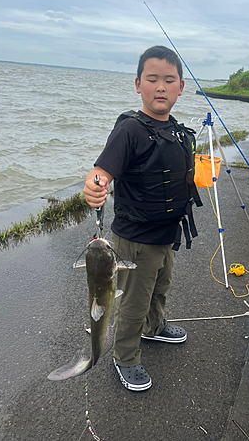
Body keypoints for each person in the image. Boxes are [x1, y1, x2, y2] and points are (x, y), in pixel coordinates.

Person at [83, 45, 202, 391]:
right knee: (133, 302)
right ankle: (125, 356)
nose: (161, 87)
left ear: (181, 87)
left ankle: (155, 326)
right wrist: (95, 186)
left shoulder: (177, 131)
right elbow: (101, 171)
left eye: (169, 80)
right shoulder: (129, 130)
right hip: (134, 240)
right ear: (138, 85)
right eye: (152, 79)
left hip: (166, 235)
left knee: (159, 288)